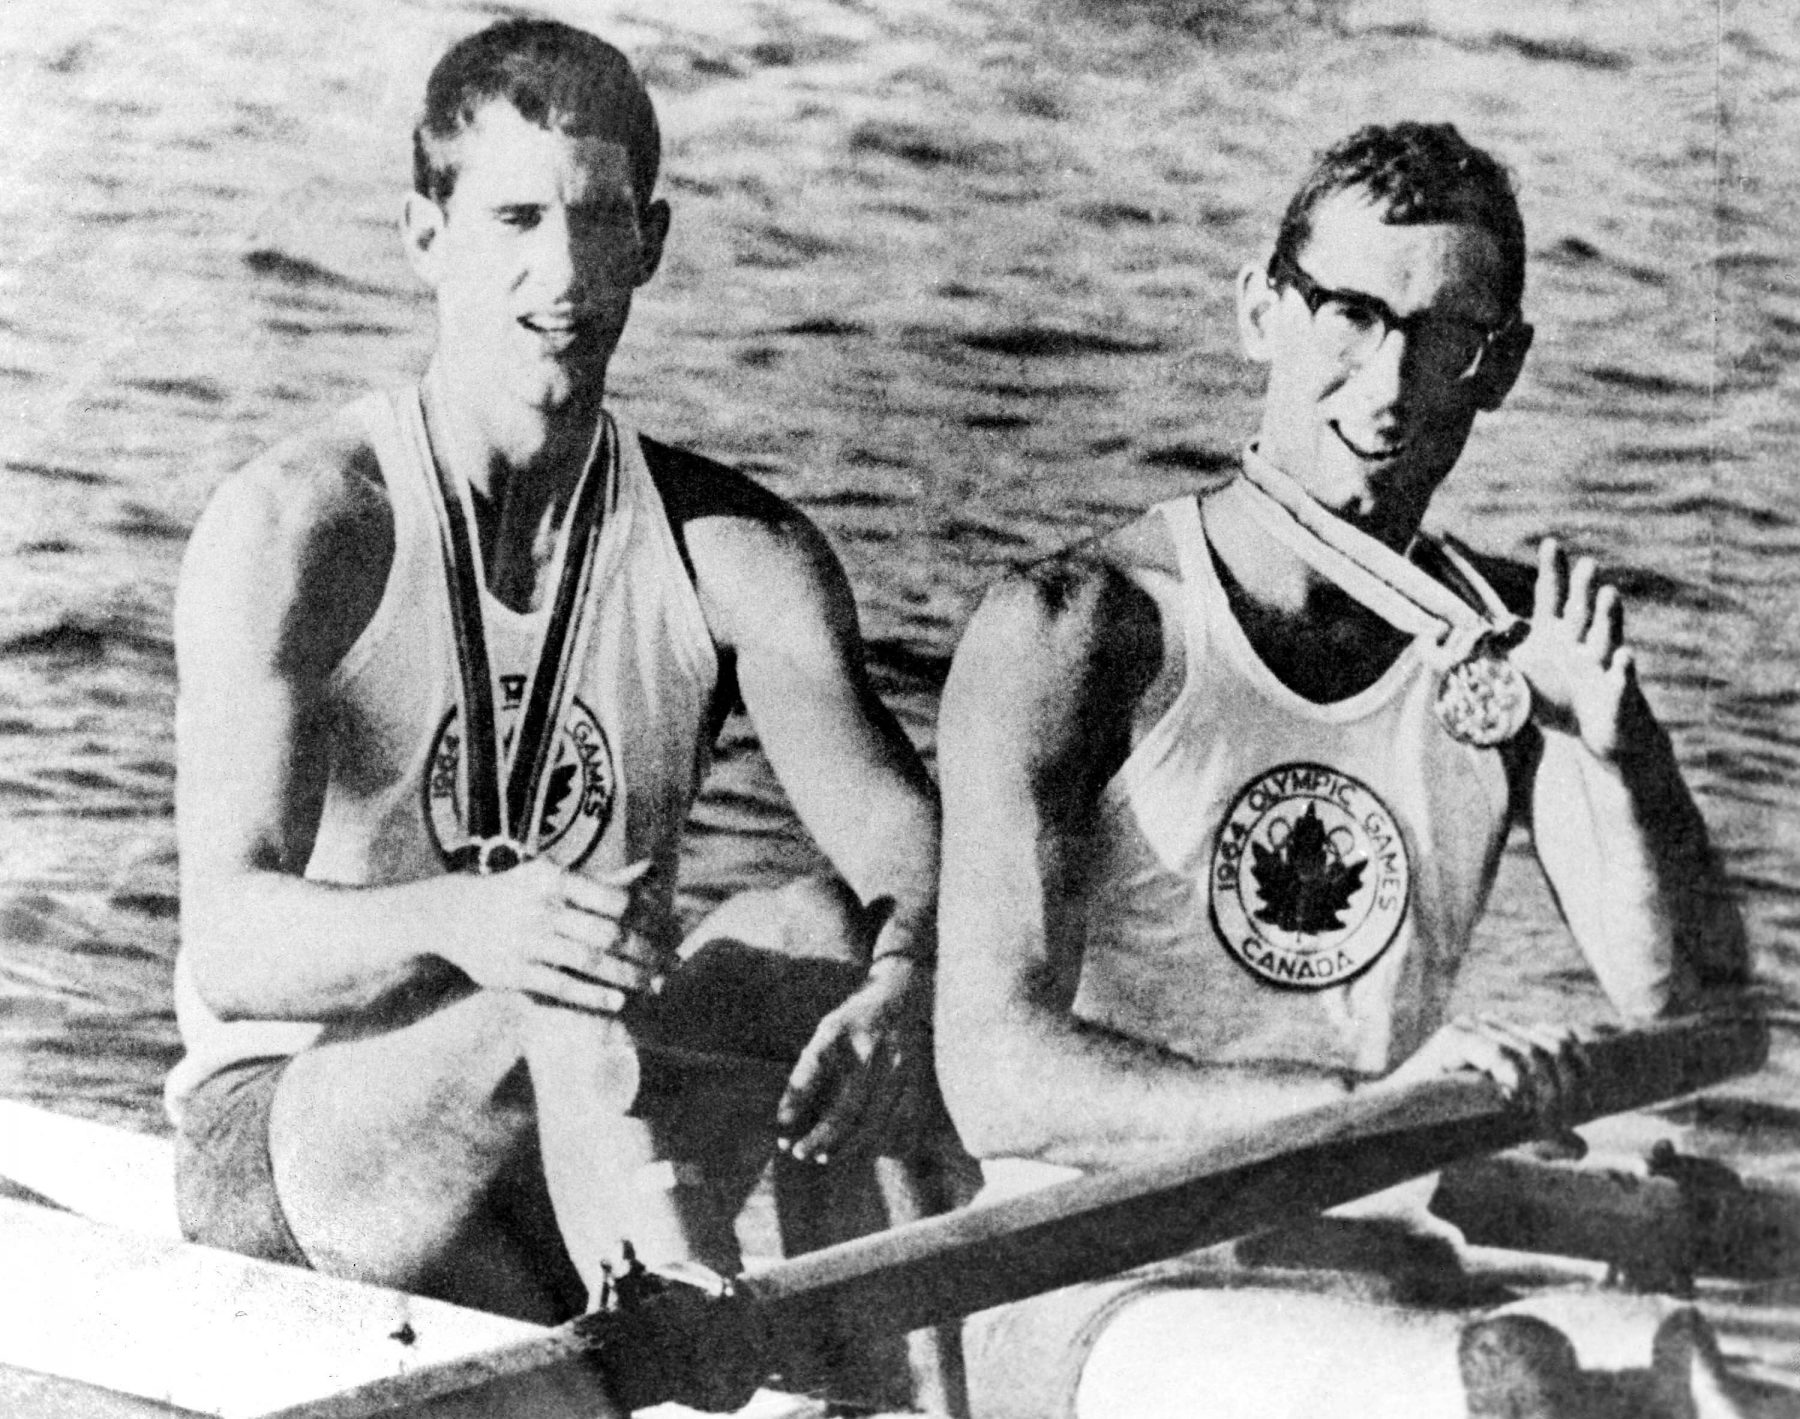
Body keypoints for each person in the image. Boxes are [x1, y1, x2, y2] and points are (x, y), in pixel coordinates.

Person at [934, 123, 1751, 1417]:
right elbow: (992, 1075)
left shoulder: (1514, 645)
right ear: (1262, 309)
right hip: (1086, 1274)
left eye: (1448, 343)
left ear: (1504, 370)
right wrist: (1369, 1105)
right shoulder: (1078, 626)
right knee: (1517, 1387)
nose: (1390, 388)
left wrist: (1621, 758)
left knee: (1693, 1382)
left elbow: (1695, 1013)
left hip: (1366, 1249)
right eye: (1353, 318)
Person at [168, 18, 954, 1353]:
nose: (565, 272)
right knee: (551, 970)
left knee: (835, 938)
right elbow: (234, 945)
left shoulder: (736, 554)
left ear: (652, 240)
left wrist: (908, 971)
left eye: (599, 222)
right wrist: (469, 921)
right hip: (301, 1144)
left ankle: (861, 1372)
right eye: (517, 219)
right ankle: (675, 1296)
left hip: (573, 1126)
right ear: (427, 236)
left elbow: (907, 848)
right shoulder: (308, 527)